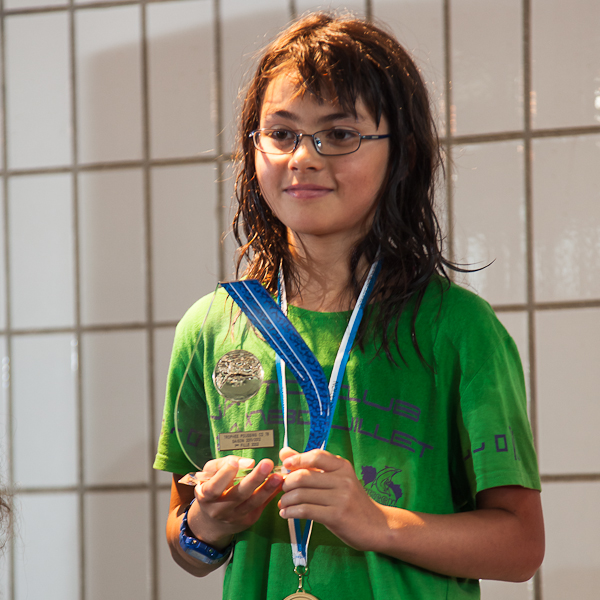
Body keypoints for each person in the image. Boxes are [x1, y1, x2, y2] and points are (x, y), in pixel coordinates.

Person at [154, 12, 544, 599]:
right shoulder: (212, 327)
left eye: (339, 134)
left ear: (402, 153)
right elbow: (185, 543)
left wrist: (377, 523)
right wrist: (208, 525)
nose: (304, 158)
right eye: (281, 133)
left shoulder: (459, 329)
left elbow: (520, 548)